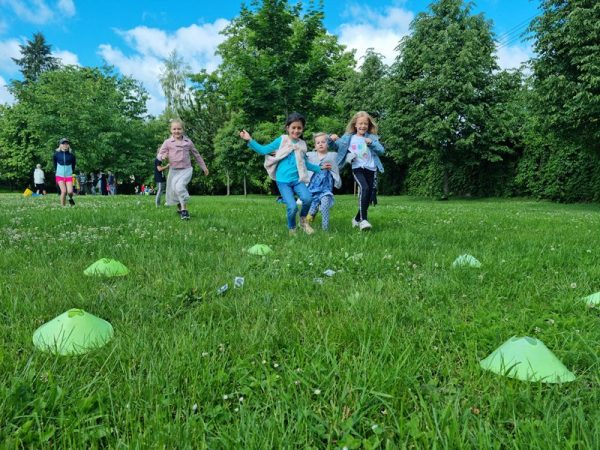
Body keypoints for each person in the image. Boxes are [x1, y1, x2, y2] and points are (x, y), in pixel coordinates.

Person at [239, 112, 331, 234]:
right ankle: (292, 228)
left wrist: (320, 168)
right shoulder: (282, 140)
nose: (296, 130)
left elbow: (305, 163)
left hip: (297, 180)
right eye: (293, 127)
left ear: (303, 129)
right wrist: (249, 140)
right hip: (283, 181)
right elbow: (263, 150)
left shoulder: (302, 144)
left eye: (299, 128)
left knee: (308, 199)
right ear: (287, 128)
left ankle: (303, 221)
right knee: (292, 207)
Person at [330, 111, 385, 231]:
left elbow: (381, 151)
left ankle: (356, 219)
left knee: (368, 196)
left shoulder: (371, 138)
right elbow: (336, 146)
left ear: (368, 125)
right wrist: (331, 139)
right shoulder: (348, 138)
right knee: (364, 188)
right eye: (360, 123)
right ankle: (363, 220)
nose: (363, 126)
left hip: (371, 169)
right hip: (357, 168)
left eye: (365, 124)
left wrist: (371, 144)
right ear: (355, 125)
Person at [157, 119, 209, 220]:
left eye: (179, 129)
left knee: (180, 187)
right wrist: (162, 157)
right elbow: (159, 155)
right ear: (171, 130)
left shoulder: (188, 142)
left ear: (183, 130)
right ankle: (179, 207)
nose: (177, 131)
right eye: (174, 129)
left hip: (186, 170)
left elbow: (197, 155)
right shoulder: (167, 142)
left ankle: (184, 211)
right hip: (173, 171)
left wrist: (204, 167)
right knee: (174, 191)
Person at [306, 132, 341, 231]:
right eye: (318, 143)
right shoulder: (310, 155)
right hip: (312, 188)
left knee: (325, 205)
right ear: (315, 145)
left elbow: (344, 153)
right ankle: (307, 223)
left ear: (328, 143)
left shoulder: (333, 155)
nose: (320, 144)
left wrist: (337, 139)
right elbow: (298, 155)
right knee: (311, 212)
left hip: (326, 188)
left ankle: (325, 230)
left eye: (323, 142)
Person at [53, 138, 76, 206]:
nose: (65, 145)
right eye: (63, 144)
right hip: (59, 176)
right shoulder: (56, 155)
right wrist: (57, 173)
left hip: (69, 176)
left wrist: (71, 172)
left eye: (67, 144)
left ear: (68, 145)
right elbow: (55, 165)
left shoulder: (72, 155)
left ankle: (70, 199)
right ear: (60, 145)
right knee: (63, 191)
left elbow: (73, 165)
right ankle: (63, 207)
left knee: (70, 192)